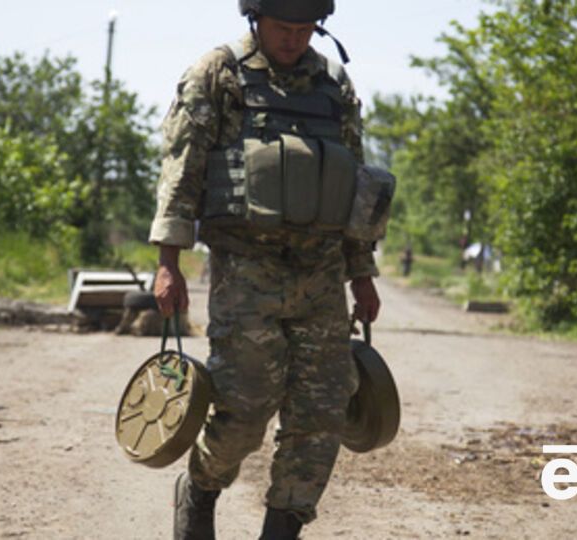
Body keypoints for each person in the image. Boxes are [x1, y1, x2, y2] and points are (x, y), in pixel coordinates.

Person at [149, 1, 382, 538]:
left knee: (320, 417)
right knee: (243, 415)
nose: (294, 39)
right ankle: (201, 489)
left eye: (305, 30)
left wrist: (361, 274)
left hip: (321, 274)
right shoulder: (218, 74)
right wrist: (168, 263)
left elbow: (355, 189)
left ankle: (282, 529)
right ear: (257, 18)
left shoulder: (333, 85)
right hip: (246, 271)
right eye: (284, 28)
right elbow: (182, 169)